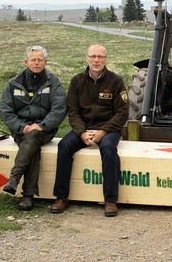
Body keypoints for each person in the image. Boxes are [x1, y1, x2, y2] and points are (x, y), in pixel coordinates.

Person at [50, 44, 129, 217]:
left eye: (100, 57)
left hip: (108, 130)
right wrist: (81, 132)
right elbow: (73, 111)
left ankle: (110, 200)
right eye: (93, 56)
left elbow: (122, 112)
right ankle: (61, 197)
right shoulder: (77, 81)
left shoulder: (116, 81)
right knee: (64, 146)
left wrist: (103, 131)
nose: (96, 60)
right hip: (83, 128)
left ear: (105, 60)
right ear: (87, 58)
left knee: (108, 149)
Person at [0, 45, 67, 211]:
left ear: (45, 62)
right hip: (21, 130)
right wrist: (22, 127)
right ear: (26, 62)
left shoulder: (54, 83)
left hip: (45, 130)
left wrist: (41, 125)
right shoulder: (13, 84)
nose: (36, 63)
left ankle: (15, 178)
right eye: (33, 60)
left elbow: (59, 109)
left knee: (34, 136)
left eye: (40, 60)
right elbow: (5, 111)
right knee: (32, 144)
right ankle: (27, 195)